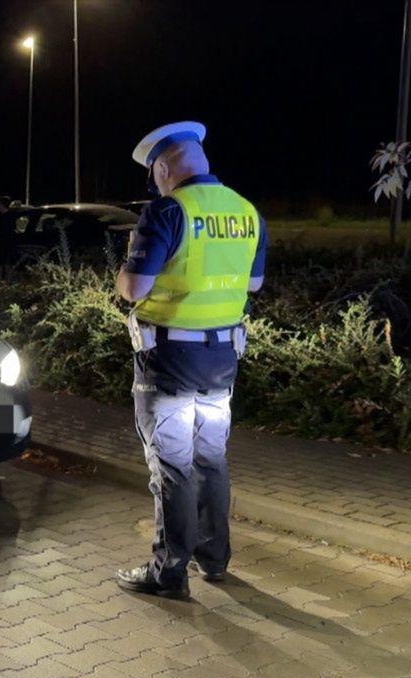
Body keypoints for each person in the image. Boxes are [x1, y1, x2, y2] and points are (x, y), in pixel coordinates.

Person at [114, 121, 267, 601]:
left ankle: (168, 571)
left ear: (163, 167)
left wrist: (123, 277)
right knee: (212, 459)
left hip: (169, 362)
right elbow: (253, 284)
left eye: (155, 174)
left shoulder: (167, 210)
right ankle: (215, 558)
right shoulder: (246, 210)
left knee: (173, 465)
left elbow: (134, 288)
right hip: (222, 359)